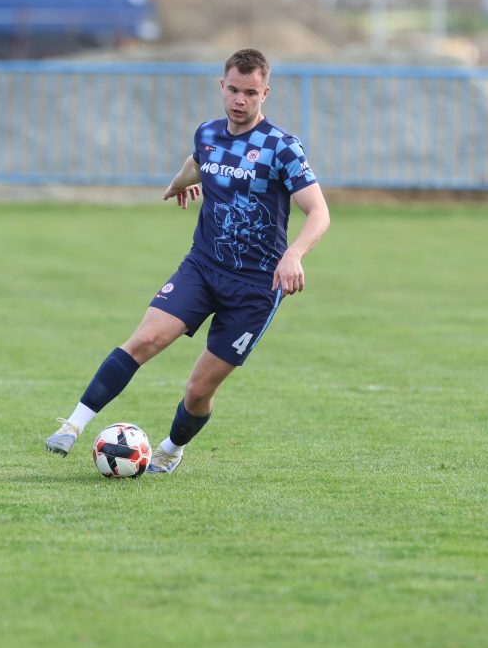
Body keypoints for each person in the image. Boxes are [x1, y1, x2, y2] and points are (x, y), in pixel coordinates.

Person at [43, 48, 331, 473]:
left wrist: (294, 254)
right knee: (145, 340)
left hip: (255, 287)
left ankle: (171, 448)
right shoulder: (208, 133)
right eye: (233, 90)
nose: (240, 100)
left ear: (265, 93)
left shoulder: (282, 148)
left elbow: (319, 212)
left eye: (250, 93)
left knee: (198, 391)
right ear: (222, 85)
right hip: (203, 267)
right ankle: (73, 425)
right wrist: (178, 183)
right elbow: (198, 162)